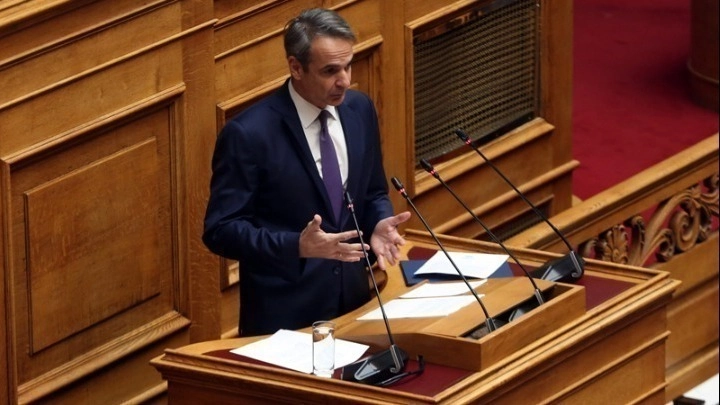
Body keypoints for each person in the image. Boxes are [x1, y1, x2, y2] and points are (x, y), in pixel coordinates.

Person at [202, 8, 411, 337]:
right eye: (330, 71)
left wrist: (378, 222)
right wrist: (296, 245)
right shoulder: (249, 134)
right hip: (284, 321)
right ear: (296, 67)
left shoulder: (359, 109)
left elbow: (372, 192)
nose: (344, 81)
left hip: (354, 304)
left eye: (348, 66)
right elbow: (221, 230)